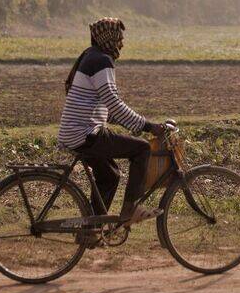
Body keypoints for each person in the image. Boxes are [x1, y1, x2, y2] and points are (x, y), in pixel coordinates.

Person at [57, 17, 165, 225]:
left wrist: (138, 124)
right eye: (118, 38)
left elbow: (108, 110)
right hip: (86, 134)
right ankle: (130, 210)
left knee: (110, 175)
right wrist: (147, 126)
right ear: (108, 39)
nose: (121, 44)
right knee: (142, 149)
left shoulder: (91, 56)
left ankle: (91, 229)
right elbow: (113, 103)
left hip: (76, 132)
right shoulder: (101, 61)